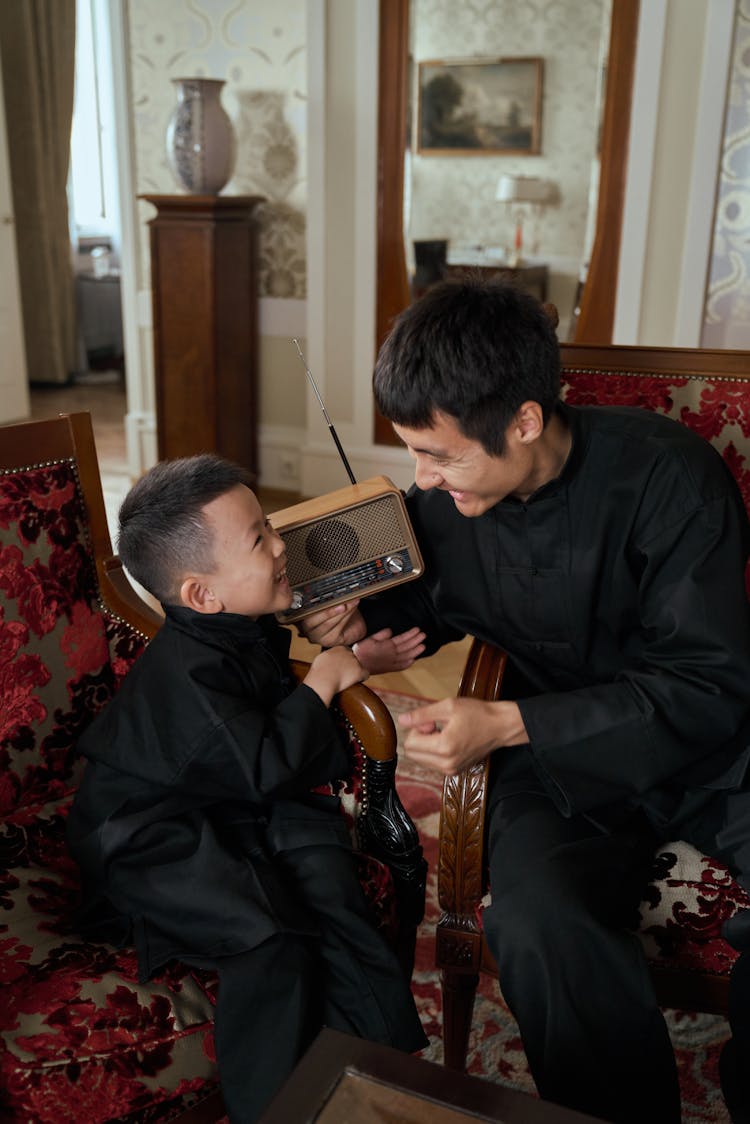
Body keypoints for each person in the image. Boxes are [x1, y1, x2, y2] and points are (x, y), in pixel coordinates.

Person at [300, 276, 750, 1124]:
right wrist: (359, 614)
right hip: (555, 764)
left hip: (717, 750)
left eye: (441, 455)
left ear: (526, 421)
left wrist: (505, 722)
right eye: (412, 452)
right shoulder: (444, 502)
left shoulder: (671, 478)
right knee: (539, 926)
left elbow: (707, 685)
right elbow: (415, 595)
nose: (424, 482)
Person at [66, 454, 427, 1123]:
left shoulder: (235, 620)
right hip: (151, 834)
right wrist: (324, 679)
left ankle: (380, 1077)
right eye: (261, 540)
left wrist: (349, 658)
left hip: (232, 799)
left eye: (269, 525)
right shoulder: (189, 675)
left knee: (329, 883)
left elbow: (266, 732)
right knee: (269, 939)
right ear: (203, 594)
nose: (282, 544)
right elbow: (263, 759)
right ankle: (274, 1108)